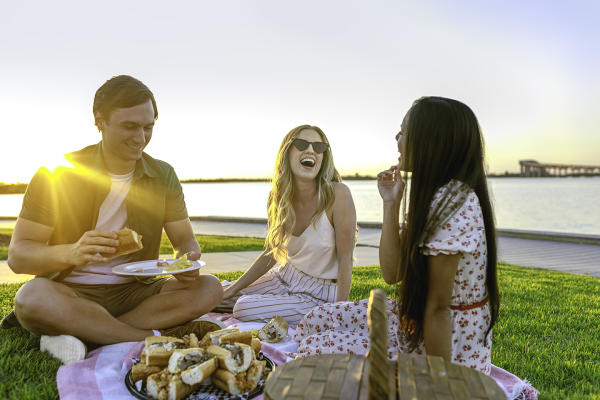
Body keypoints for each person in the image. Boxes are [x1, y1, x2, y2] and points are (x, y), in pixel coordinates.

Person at [1, 75, 223, 364]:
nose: (140, 138)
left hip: (136, 292)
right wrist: (72, 251)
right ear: (100, 121)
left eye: (148, 127)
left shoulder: (163, 175)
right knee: (31, 298)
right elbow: (19, 257)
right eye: (129, 126)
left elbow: (184, 239)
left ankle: (87, 334)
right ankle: (145, 338)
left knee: (210, 288)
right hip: (70, 291)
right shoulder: (56, 174)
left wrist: (187, 258)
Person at [293, 97, 500, 374]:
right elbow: (392, 273)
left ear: (430, 141)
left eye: (404, 132)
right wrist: (391, 203)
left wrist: (440, 385)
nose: (397, 138)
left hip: (446, 350)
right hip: (416, 321)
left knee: (313, 349)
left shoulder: (453, 202)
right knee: (313, 321)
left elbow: (438, 308)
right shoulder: (436, 197)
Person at [215, 125, 357, 325]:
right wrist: (233, 289)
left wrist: (338, 313)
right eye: (301, 144)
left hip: (319, 293)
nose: (310, 150)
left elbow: (345, 259)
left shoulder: (338, 194)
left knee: (243, 308)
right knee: (214, 292)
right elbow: (271, 253)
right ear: (287, 153)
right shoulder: (278, 197)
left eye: (318, 147)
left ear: (324, 157)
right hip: (284, 276)